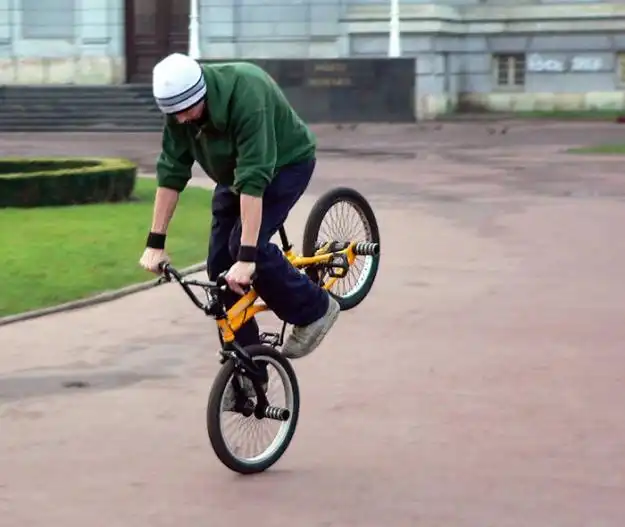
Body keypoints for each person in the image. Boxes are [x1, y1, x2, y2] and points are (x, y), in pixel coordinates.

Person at [139, 52, 340, 362]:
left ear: (201, 94)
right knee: (219, 269)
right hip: (235, 174)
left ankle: (315, 309)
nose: (181, 120)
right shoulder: (180, 108)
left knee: (247, 248)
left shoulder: (247, 94)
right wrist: (155, 243)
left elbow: (253, 180)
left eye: (186, 111)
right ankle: (249, 367)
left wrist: (247, 258)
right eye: (174, 114)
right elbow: (171, 172)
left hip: (285, 164)